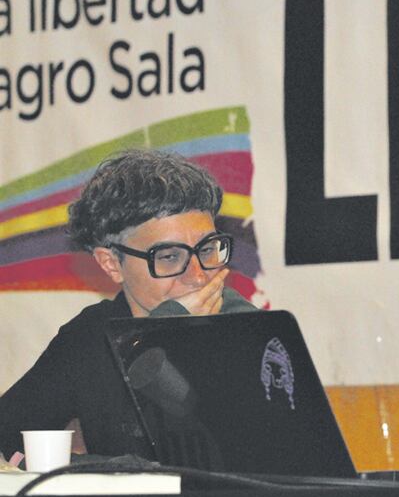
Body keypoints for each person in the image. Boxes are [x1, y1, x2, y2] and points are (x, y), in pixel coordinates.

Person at [0, 149, 256, 459]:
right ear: (111, 264)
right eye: (169, 257)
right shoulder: (90, 335)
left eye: (208, 249)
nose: (199, 276)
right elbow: (8, 431)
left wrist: (172, 325)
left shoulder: (244, 328)